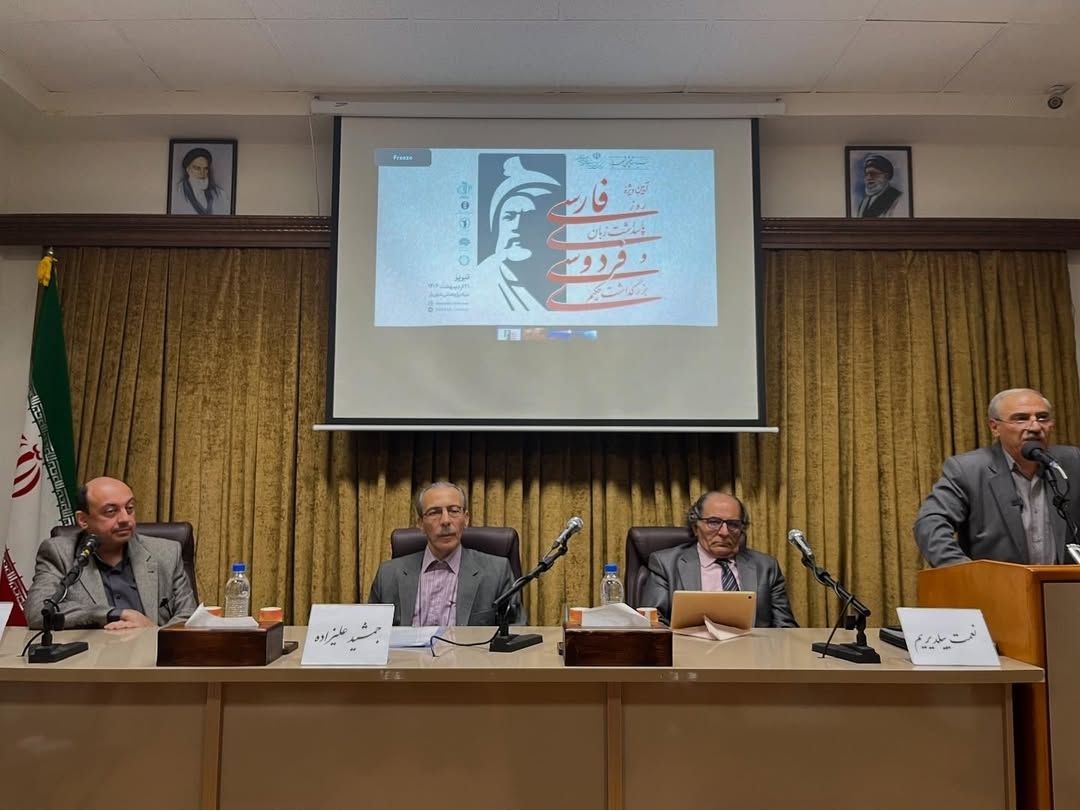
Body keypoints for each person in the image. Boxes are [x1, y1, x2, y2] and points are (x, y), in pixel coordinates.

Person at [915, 388, 1080, 567]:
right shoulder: (968, 470)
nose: (1035, 427)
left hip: (1064, 582)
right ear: (995, 427)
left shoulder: (1073, 461)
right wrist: (965, 572)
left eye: (1042, 418)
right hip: (996, 584)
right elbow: (930, 523)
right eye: (1021, 418)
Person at [24, 477, 197, 630]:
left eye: (129, 508)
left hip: (152, 654)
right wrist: (114, 614)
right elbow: (39, 612)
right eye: (111, 511)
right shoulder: (59, 553)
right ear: (83, 520)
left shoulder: (166, 553)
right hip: (92, 655)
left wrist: (153, 633)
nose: (125, 519)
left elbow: (188, 619)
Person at [367, 481, 525, 626]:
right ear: (420, 524)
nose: (445, 520)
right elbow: (370, 634)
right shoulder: (388, 574)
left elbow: (515, 632)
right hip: (406, 650)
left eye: (454, 511)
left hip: (468, 649)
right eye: (434, 512)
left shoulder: (497, 571)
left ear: (466, 519)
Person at [639, 491, 798, 628]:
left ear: (741, 529)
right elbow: (653, 621)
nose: (724, 532)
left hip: (753, 651)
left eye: (733, 524)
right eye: (714, 522)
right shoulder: (666, 564)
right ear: (695, 527)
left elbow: (785, 628)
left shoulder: (766, 567)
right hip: (690, 650)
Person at [476, 156, 561, 312]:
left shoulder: (559, 277)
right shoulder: (480, 280)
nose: (517, 227)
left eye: (529, 218)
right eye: (510, 217)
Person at [173, 147, 231, 215]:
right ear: (188, 170)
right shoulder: (177, 192)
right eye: (197, 168)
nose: (202, 173)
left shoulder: (220, 195)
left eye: (205, 168)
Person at [855, 153, 903, 218]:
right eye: (866, 174)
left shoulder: (897, 198)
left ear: (886, 176)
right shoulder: (865, 201)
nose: (868, 178)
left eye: (873, 173)